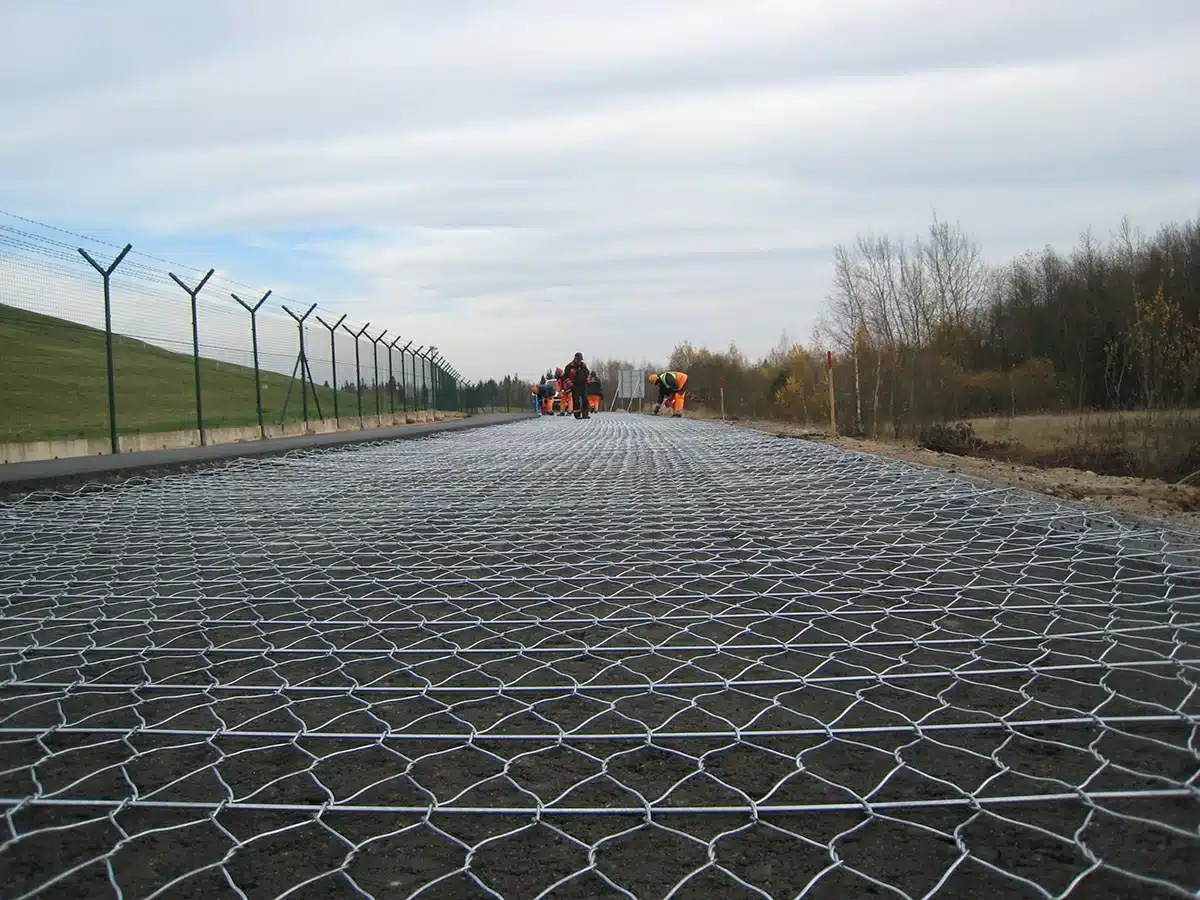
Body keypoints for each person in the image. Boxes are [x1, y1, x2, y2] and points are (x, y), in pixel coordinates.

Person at [563, 352, 590, 419]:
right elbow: (565, 377)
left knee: (585, 400)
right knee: (576, 401)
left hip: (583, 385)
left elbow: (587, 373)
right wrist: (570, 384)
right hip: (575, 386)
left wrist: (588, 380)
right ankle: (577, 414)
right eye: (578, 360)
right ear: (575, 359)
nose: (579, 361)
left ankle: (585, 414)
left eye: (580, 360)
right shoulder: (569, 366)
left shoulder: (583, 365)